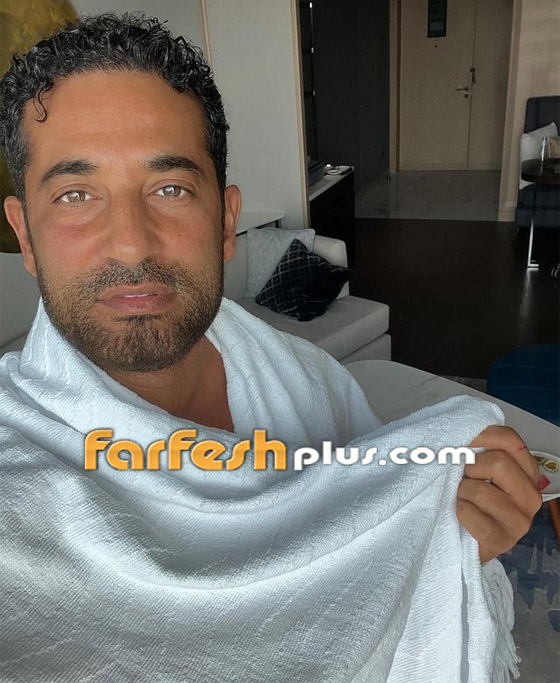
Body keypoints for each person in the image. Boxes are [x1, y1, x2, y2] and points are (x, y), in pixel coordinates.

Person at [0, 13, 541, 682]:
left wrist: (445, 542)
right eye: (76, 194)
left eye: (170, 188)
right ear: (25, 235)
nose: (132, 244)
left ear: (226, 220)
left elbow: (372, 524)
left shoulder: (304, 375)